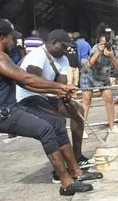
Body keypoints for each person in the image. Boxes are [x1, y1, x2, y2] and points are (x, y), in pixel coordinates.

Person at [0, 18, 101, 195]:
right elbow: (27, 78)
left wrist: (58, 90)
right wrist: (60, 87)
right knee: (46, 130)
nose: (14, 41)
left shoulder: (1, 56)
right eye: (12, 37)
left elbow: (26, 85)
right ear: (3, 37)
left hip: (7, 108)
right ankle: (65, 183)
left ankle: (76, 172)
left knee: (57, 124)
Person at [16, 29, 94, 176]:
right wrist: (59, 89)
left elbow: (61, 82)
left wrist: (65, 93)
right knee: (56, 121)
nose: (65, 50)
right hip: (28, 97)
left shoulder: (63, 59)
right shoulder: (38, 55)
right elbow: (32, 82)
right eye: (63, 46)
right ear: (53, 42)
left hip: (46, 96)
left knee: (78, 110)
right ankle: (61, 170)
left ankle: (77, 157)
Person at [80, 32, 118, 135]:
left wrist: (112, 57)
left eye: (108, 43)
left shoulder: (116, 50)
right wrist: (98, 52)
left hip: (103, 77)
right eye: (103, 43)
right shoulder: (95, 48)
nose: (105, 45)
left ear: (112, 41)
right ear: (99, 43)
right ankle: (82, 129)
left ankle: (112, 126)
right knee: (86, 102)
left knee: (109, 100)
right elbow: (89, 64)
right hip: (88, 75)